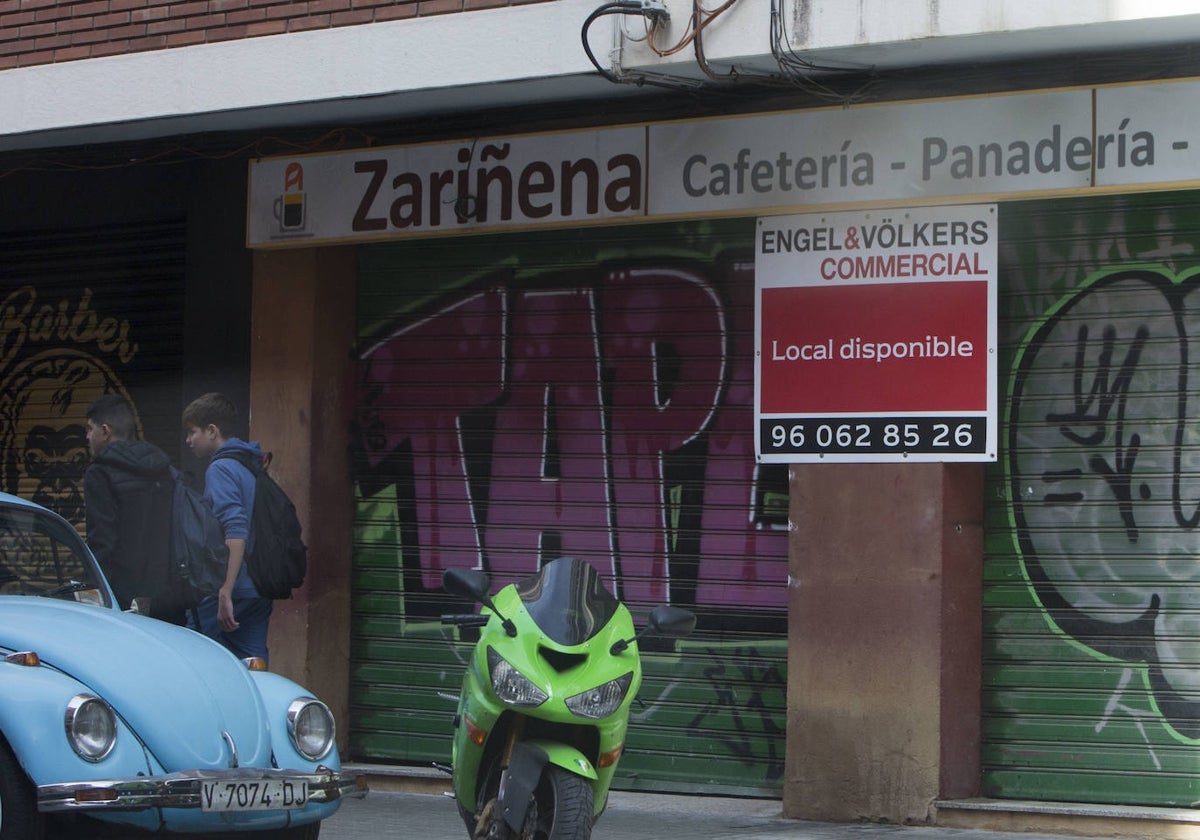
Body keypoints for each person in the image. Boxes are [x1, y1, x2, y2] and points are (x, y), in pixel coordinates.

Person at [182, 392, 272, 661]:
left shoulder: (221, 468)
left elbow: (235, 529)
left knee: (191, 652)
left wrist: (226, 590)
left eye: (191, 432)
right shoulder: (251, 464)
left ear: (212, 431)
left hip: (234, 584)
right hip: (260, 586)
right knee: (253, 665)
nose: (188, 441)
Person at [83, 393, 183, 623]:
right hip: (168, 595)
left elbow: (102, 541)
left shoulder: (99, 473)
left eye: (90, 429)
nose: (87, 437)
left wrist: (100, 597)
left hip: (123, 599)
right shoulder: (163, 468)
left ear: (105, 431)